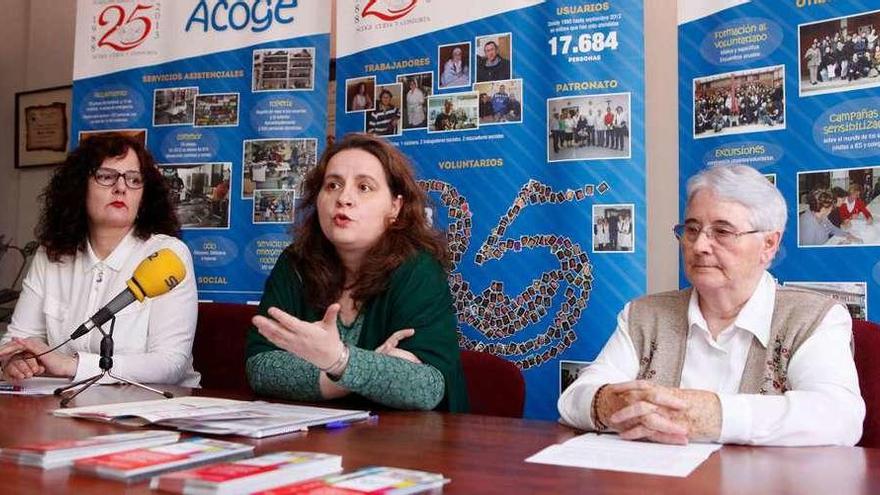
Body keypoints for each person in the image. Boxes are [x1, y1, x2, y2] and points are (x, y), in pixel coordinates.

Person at [559, 164, 864, 446]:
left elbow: (839, 417)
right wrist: (609, 403)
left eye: (722, 231)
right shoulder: (644, 314)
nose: (700, 246)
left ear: (769, 245)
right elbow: (574, 399)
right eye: (691, 230)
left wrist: (712, 414)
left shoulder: (813, 317)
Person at [245, 133, 468, 412]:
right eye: (333, 185)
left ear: (395, 207)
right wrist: (355, 367)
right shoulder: (295, 264)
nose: (344, 198)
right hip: (315, 440)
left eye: (364, 187)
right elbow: (261, 368)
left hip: (405, 444)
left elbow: (426, 386)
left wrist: (338, 360)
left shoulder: (418, 269)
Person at [0, 134, 199, 386]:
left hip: (151, 407)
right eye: (106, 176)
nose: (121, 187)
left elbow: (170, 365)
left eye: (134, 179)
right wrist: (19, 359)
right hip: (67, 406)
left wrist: (71, 366)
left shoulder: (169, 254)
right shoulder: (51, 254)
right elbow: (19, 338)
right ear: (78, 187)